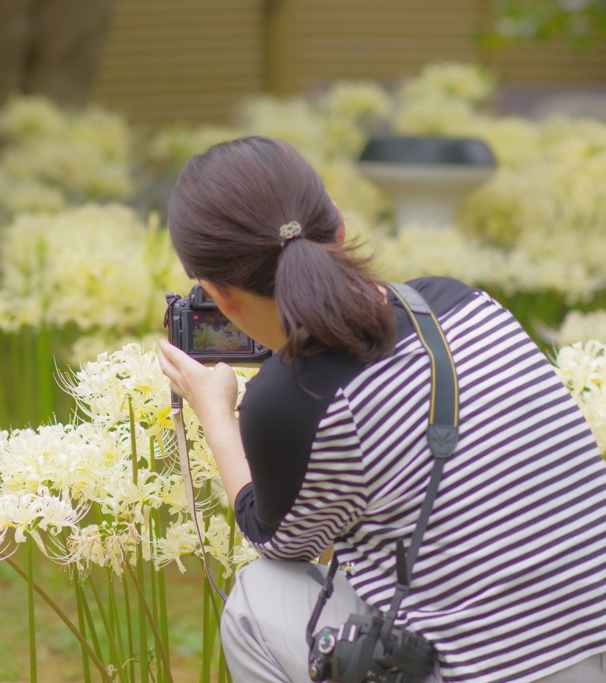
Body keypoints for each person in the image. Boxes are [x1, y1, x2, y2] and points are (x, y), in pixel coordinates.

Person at [156, 136, 606, 683]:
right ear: (339, 226)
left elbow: (280, 542)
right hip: (592, 645)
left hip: (492, 673)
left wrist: (216, 413)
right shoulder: (463, 302)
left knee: (256, 599)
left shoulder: (292, 397)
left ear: (216, 296)